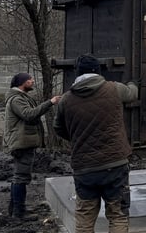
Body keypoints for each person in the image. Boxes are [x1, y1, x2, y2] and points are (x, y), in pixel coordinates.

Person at [53, 55, 139, 233]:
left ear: (78, 73)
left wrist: (78, 138)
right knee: (118, 215)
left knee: (84, 219)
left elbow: (59, 129)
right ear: (98, 72)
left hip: (84, 167)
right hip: (115, 165)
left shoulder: (66, 100)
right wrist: (133, 83)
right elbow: (132, 94)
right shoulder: (114, 89)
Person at [4, 72, 61, 220]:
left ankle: (15, 209)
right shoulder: (17, 99)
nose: (33, 81)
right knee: (21, 177)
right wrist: (50, 102)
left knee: (20, 176)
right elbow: (29, 114)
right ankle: (19, 213)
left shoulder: (22, 97)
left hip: (24, 142)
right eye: (30, 80)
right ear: (23, 83)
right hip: (21, 143)